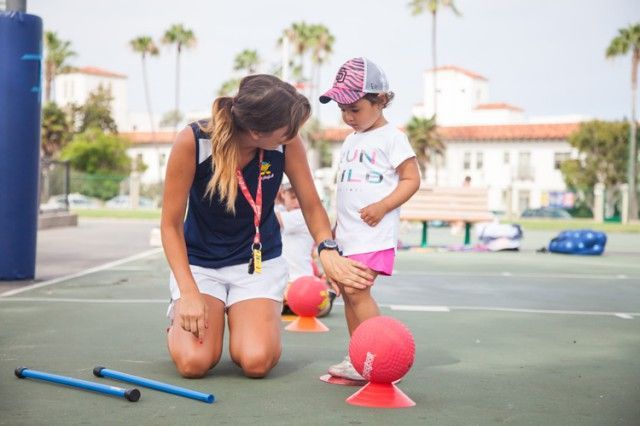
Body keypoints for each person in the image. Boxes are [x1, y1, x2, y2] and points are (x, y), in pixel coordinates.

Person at [161, 74, 374, 379]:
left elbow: (312, 204)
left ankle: (246, 318)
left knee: (256, 361)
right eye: (289, 129)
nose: (295, 133)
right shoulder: (193, 141)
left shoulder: (285, 144)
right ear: (256, 131)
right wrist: (188, 291)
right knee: (193, 364)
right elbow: (169, 225)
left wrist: (327, 250)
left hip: (257, 264)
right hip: (200, 264)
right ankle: (181, 317)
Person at [318, 57, 421, 380]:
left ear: (380, 101)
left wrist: (383, 205)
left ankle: (383, 356)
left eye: (355, 109)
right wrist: (335, 229)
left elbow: (411, 179)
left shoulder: (392, 137)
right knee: (349, 293)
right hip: (348, 234)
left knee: (357, 292)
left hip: (372, 233)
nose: (348, 117)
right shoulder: (351, 139)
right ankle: (360, 355)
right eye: (342, 110)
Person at [275, 183, 336, 316]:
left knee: (313, 308)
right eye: (293, 197)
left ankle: (327, 296)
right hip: (281, 281)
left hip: (301, 280)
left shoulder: (302, 216)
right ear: (283, 195)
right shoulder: (282, 210)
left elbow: (269, 218)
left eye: (300, 198)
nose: (297, 202)